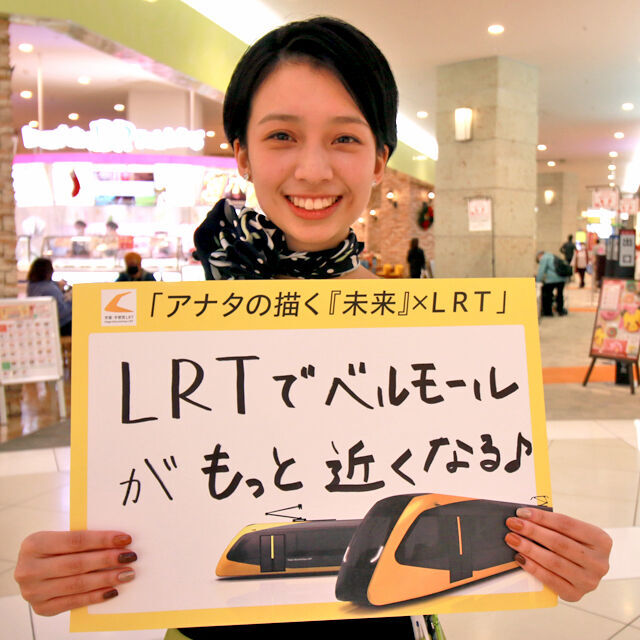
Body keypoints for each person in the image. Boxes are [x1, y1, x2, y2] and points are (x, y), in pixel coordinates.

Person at [15, 16, 612, 639]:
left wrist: (553, 554)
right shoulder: (165, 343)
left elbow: (466, 499)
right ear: (242, 155)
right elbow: (140, 504)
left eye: (345, 139)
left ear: (379, 160)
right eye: (281, 135)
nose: (313, 169)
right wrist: (66, 571)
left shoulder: (432, 336)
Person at [26, 257, 72, 336]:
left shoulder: (32, 286)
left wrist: (57, 284)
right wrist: (72, 301)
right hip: (62, 326)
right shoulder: (50, 289)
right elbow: (61, 312)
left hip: (44, 326)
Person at [536, 250, 567, 316]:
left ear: (539, 255)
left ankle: (548, 312)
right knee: (560, 294)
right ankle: (560, 310)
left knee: (548, 295)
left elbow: (541, 271)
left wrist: (538, 281)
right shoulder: (552, 256)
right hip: (562, 278)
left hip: (551, 280)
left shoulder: (544, 258)